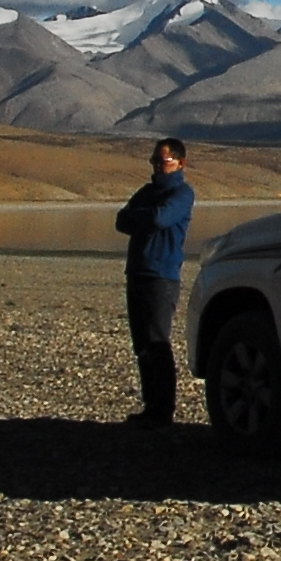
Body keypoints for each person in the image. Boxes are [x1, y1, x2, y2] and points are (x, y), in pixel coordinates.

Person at [114, 137, 195, 427]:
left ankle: (164, 409)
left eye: (164, 161)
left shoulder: (182, 193)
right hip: (137, 271)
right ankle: (151, 406)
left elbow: (161, 218)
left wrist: (140, 218)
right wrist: (144, 218)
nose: (158, 166)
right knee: (142, 344)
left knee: (157, 342)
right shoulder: (147, 192)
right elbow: (121, 220)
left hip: (161, 276)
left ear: (180, 163)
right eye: (155, 161)